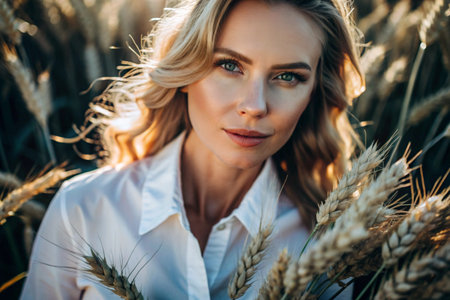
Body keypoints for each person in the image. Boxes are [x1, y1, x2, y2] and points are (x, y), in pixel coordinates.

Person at [21, 0, 365, 299]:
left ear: (314, 93)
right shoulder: (84, 209)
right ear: (186, 71)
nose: (254, 106)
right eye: (229, 65)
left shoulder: (324, 242)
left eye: (288, 76)